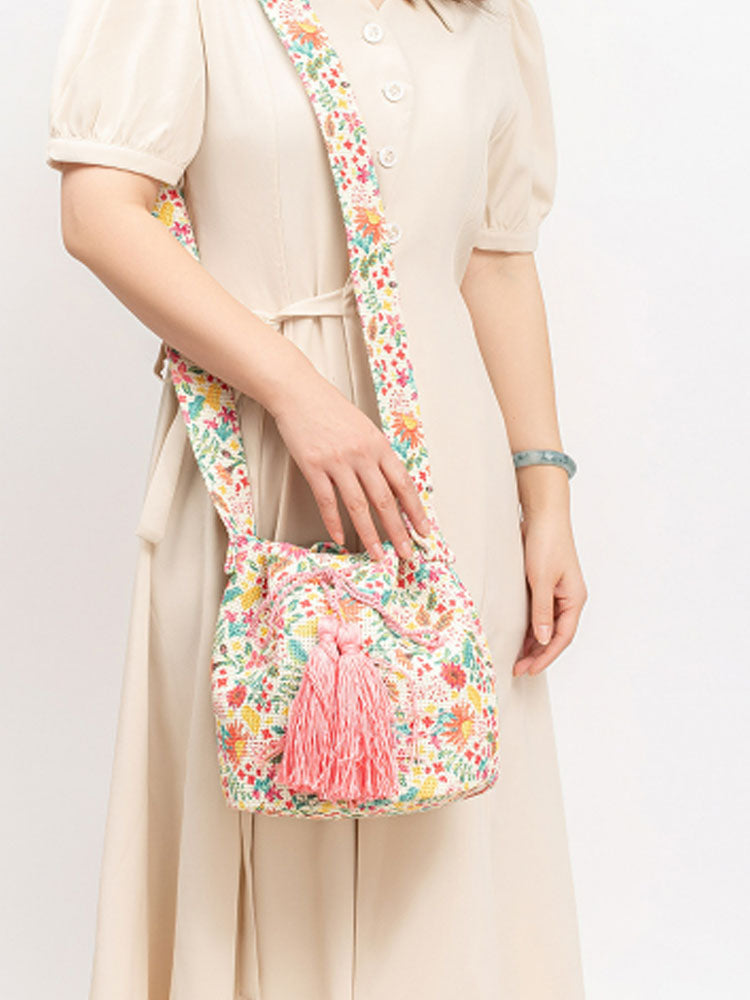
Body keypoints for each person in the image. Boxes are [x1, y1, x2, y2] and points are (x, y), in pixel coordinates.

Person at [45, 0, 588, 996]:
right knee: (261, 798)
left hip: (446, 482)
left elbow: (499, 263)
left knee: (445, 820)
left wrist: (544, 495)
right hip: (257, 463)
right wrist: (297, 393)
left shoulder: (486, 16)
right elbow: (99, 212)